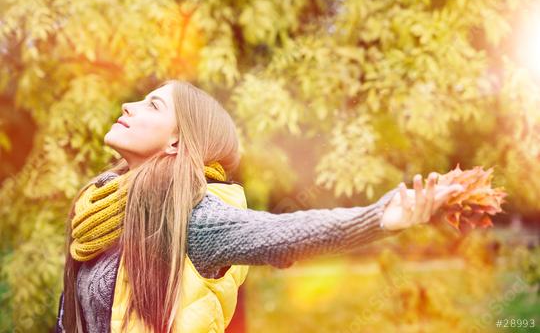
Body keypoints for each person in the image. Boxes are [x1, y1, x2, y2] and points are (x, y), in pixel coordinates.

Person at [55, 80, 464, 333]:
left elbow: (279, 234)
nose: (130, 106)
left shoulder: (192, 217)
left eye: (153, 106)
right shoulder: (98, 211)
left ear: (177, 142)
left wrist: (378, 218)